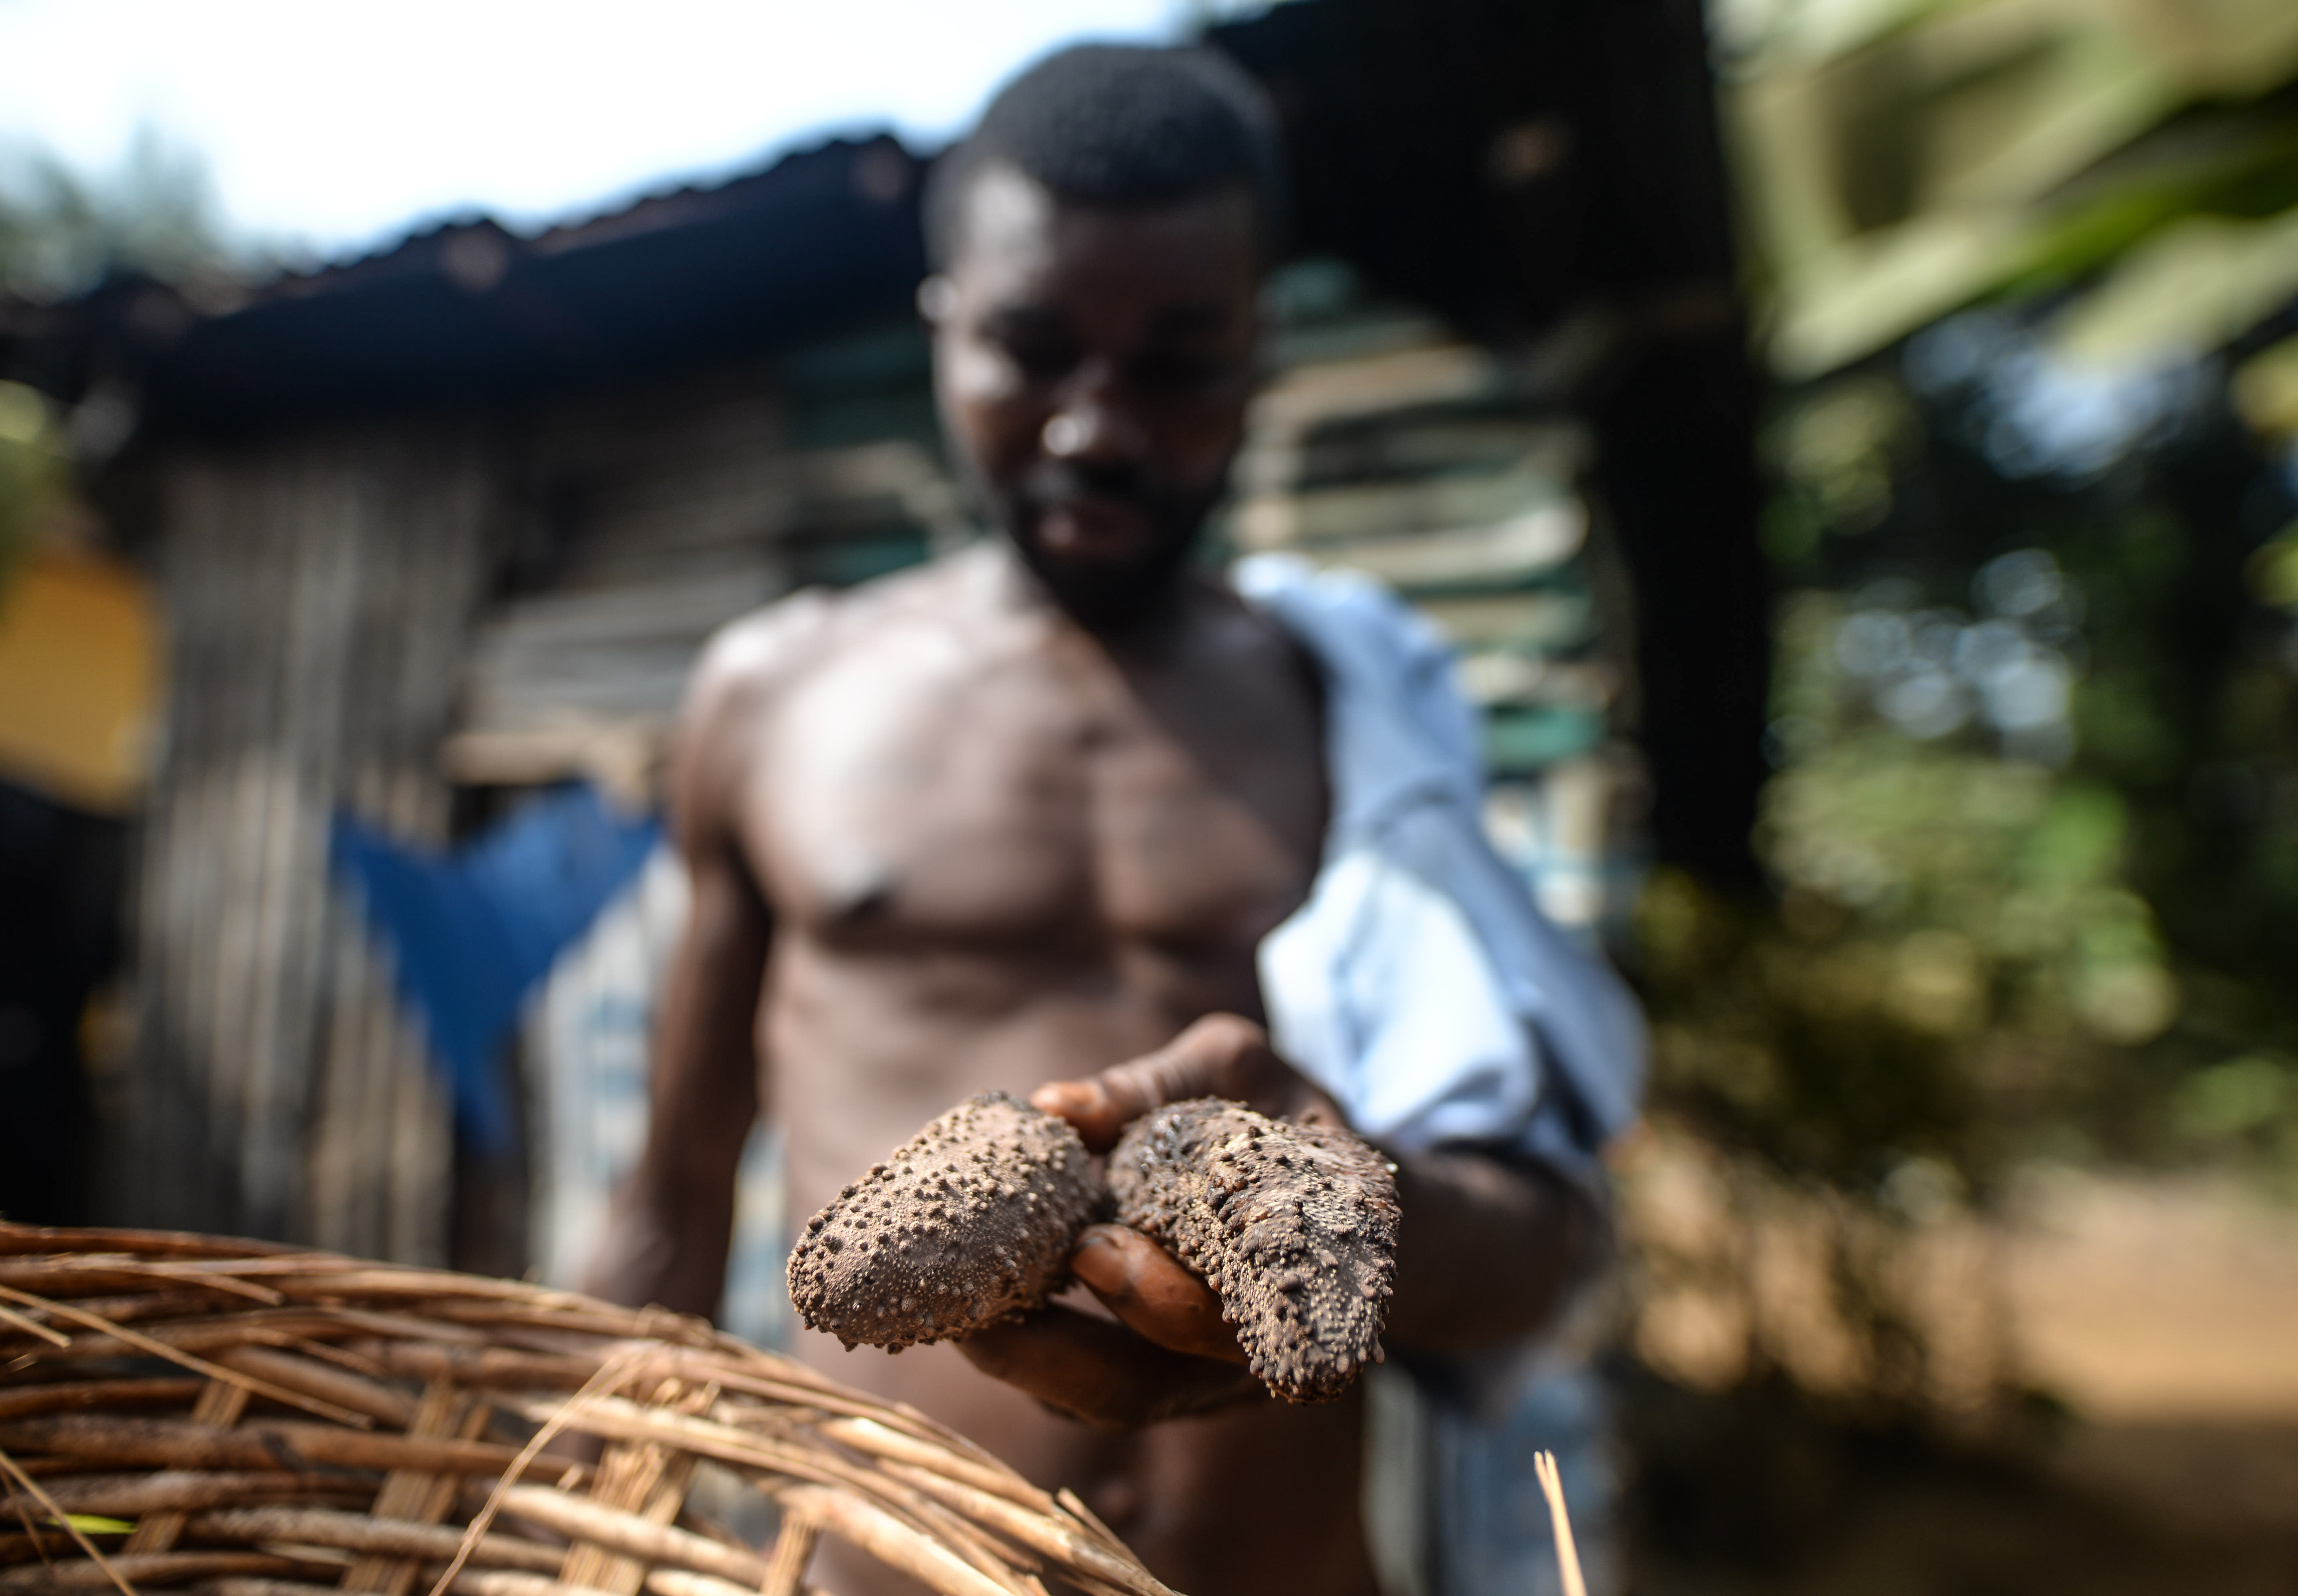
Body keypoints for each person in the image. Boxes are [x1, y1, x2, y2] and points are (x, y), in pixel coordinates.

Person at [589, 44, 1642, 1596]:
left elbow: (1540, 1244)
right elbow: (668, 1213)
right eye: (1030, 349)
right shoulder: (778, 697)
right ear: (943, 327)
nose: (1094, 425)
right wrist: (574, 1510)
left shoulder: (1361, 712)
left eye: (1174, 361)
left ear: (1259, 352)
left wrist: (1344, 1229)